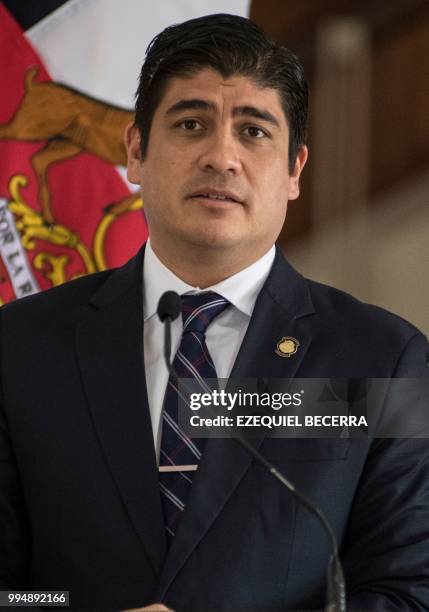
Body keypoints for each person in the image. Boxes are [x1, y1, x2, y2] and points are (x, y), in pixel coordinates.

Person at [1, 13, 428, 612]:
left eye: (254, 132)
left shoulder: (384, 361)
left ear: (294, 170)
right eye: (191, 123)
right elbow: (15, 596)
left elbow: (409, 593)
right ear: (135, 152)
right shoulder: (20, 346)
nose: (221, 157)